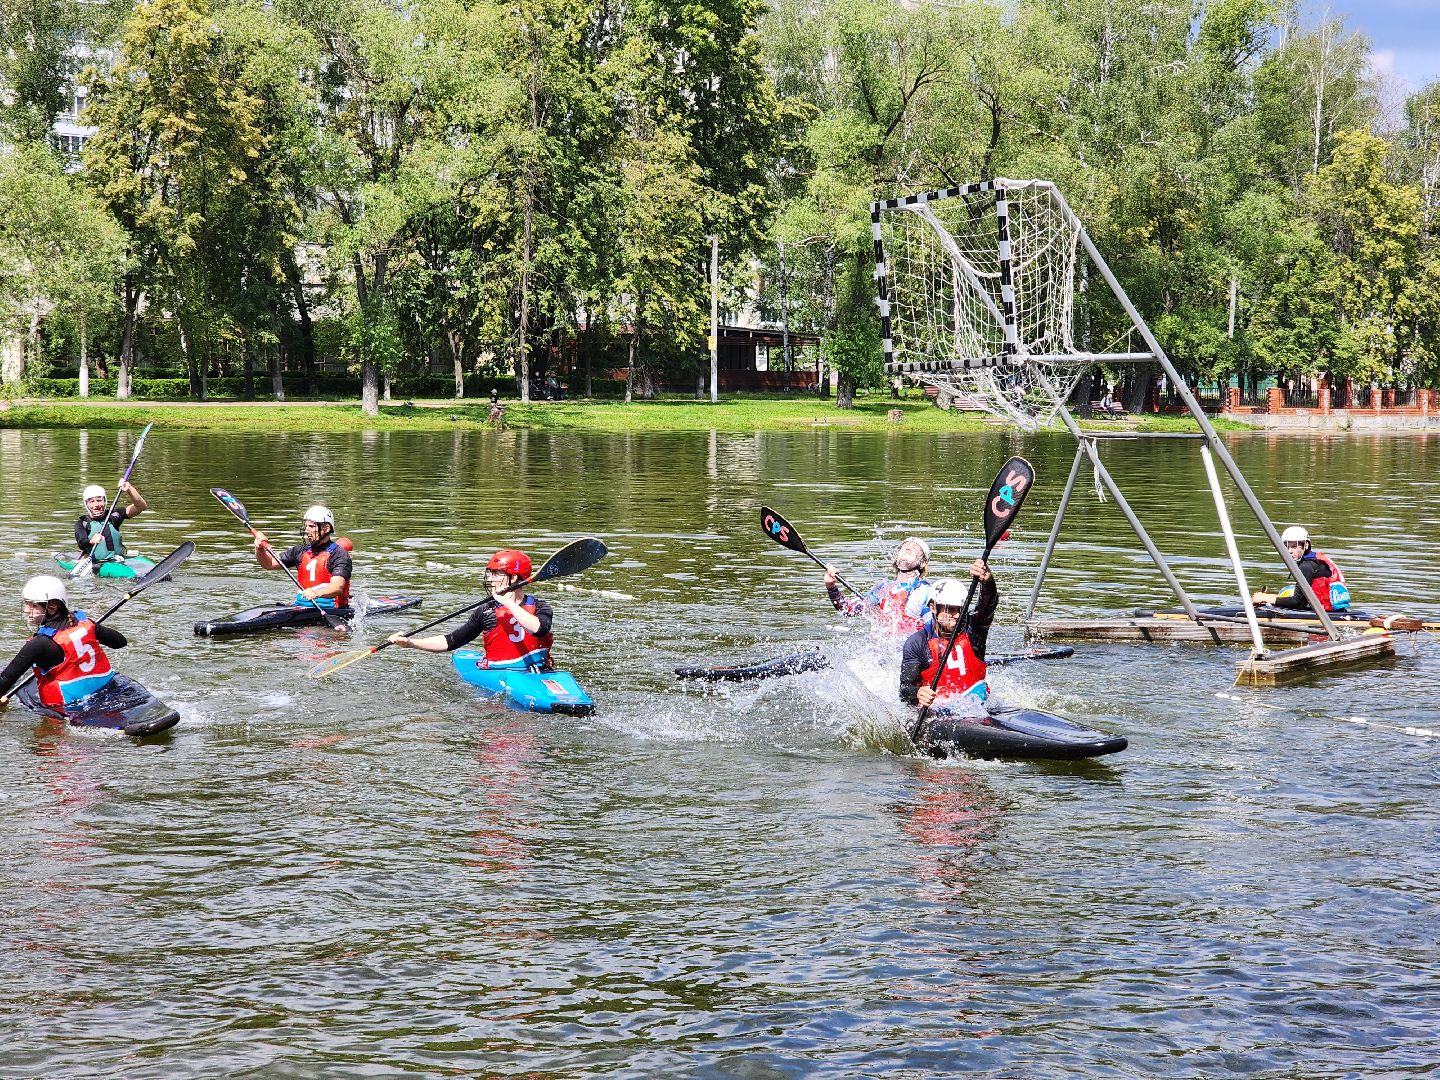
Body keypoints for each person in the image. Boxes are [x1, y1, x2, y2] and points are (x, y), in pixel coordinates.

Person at [387, 549, 554, 670]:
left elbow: (539, 629)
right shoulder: (486, 611)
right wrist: (411, 643)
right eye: (490, 574)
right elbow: (452, 641)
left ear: (514, 577)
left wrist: (508, 603)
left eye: (496, 574)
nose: (490, 578)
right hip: (500, 673)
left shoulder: (540, 607)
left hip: (539, 673)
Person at [0, 576, 126, 708]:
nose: (26, 609)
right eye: (26, 603)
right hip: (103, 689)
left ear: (53, 608)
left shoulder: (38, 643)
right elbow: (120, 642)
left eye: (33, 605)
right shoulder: (86, 623)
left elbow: (4, 682)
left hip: (68, 707)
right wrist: (95, 629)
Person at [899, 561, 997, 714]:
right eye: (950, 609)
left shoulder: (973, 630)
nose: (956, 615)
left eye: (960, 609)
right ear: (933, 607)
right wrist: (917, 693)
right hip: (940, 713)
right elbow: (905, 690)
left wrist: (987, 582)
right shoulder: (917, 643)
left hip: (980, 707)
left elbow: (988, 605)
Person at [824, 537, 934, 636]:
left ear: (923, 563)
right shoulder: (883, 588)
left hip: (911, 653)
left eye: (915, 547)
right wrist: (831, 586)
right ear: (896, 558)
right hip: (882, 651)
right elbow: (847, 609)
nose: (908, 547)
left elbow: (933, 629)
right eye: (904, 546)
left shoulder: (925, 591)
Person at [253, 504, 352, 609]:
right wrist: (259, 549)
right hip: (301, 607)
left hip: (331, 610)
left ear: (326, 528)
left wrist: (316, 593)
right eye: (306, 526)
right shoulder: (300, 551)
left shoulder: (339, 554)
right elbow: (269, 563)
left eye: (312, 526)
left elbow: (337, 587)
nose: (306, 530)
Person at [1252, 526, 1350, 612]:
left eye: (1294, 546)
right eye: (1287, 546)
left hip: (1327, 615)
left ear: (1306, 545)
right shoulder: (1314, 560)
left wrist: (1266, 598)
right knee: (1287, 591)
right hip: (1335, 610)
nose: (1289, 551)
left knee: (1284, 595)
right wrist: (1271, 598)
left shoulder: (1307, 566)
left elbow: (1297, 603)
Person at [75, 480, 148, 563]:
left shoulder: (114, 515)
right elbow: (81, 543)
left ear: (105, 501)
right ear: (86, 504)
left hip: (118, 559)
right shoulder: (82, 523)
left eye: (99, 500)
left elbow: (141, 507)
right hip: (98, 562)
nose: (96, 505)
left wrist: (129, 489)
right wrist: (91, 541)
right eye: (91, 501)